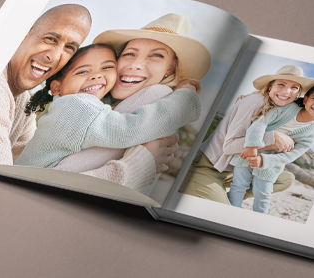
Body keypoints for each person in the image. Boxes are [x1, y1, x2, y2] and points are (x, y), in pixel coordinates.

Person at [52, 13, 212, 192]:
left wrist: (185, 98)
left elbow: (61, 179)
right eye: (129, 54)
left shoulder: (157, 94)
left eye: (157, 55)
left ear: (170, 68)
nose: (136, 64)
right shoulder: (92, 99)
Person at [15, 43, 201, 170]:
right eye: (83, 71)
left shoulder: (77, 106)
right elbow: (127, 130)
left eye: (107, 68)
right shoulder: (76, 105)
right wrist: (184, 100)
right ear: (56, 87)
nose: (96, 76)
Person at [181, 65, 314, 204]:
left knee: (286, 179)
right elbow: (229, 147)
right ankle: (196, 187)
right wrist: (274, 137)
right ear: (270, 86)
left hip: (231, 171)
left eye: (294, 87)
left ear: (298, 93)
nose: (286, 91)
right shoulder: (256, 101)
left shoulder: (280, 109)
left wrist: (269, 150)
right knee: (223, 213)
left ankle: (228, 196)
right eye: (281, 84)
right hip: (207, 166)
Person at [0, 4, 92, 165]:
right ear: (22, 35)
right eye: (51, 39)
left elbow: (29, 165)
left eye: (69, 48)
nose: (55, 57)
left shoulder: (23, 105)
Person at [229, 83, 314, 214]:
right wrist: (252, 147)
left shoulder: (311, 133)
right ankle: (229, 214)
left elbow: (291, 155)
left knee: (263, 193)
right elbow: (260, 122)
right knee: (239, 185)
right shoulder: (287, 108)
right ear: (305, 99)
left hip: (271, 164)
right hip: (249, 151)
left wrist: (263, 160)